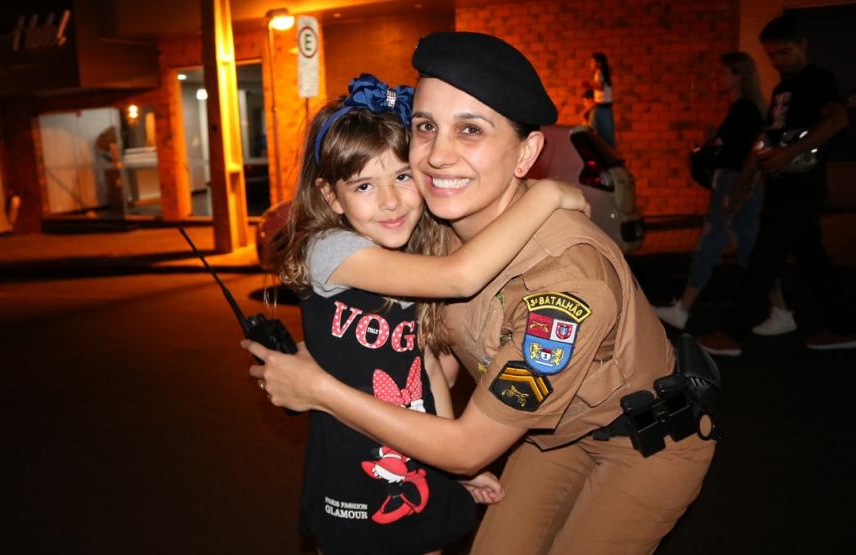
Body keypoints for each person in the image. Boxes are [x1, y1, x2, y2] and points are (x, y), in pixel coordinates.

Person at [246, 33, 715, 555]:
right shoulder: (433, 228)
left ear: (526, 153)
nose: (437, 156)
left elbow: (467, 448)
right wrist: (342, 359)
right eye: (425, 127)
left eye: (470, 129)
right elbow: (431, 359)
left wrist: (320, 390)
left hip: (643, 444)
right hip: (547, 434)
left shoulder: (566, 285)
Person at [272, 73, 588, 555]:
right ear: (332, 197)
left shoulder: (413, 261)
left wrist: (457, 465)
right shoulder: (331, 251)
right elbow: (459, 277)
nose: (391, 201)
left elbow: (428, 373)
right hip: (349, 476)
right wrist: (545, 195)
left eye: (402, 177)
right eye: (363, 186)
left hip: (419, 459)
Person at [698, 15, 853, 356]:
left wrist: (789, 153)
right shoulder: (783, 89)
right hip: (782, 186)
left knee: (763, 259)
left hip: (801, 187)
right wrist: (743, 186)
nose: (778, 61)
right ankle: (844, 326)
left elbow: (838, 119)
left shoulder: (817, 80)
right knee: (813, 260)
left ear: (802, 45)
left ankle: (733, 332)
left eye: (784, 52)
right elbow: (765, 140)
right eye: (771, 55)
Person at [655, 52, 795, 336]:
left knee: (747, 247)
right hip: (729, 183)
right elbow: (735, 148)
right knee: (713, 244)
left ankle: (780, 310)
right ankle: (683, 309)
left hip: (734, 184)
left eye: (723, 73)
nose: (718, 78)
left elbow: (750, 155)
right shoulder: (740, 110)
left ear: (739, 76)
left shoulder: (744, 110)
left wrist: (740, 190)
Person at [581, 52, 615, 147]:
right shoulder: (604, 74)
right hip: (605, 108)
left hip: (601, 108)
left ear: (599, 63)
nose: (590, 64)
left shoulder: (598, 73)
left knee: (597, 135)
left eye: (592, 62)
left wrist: (589, 84)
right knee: (607, 136)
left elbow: (600, 87)